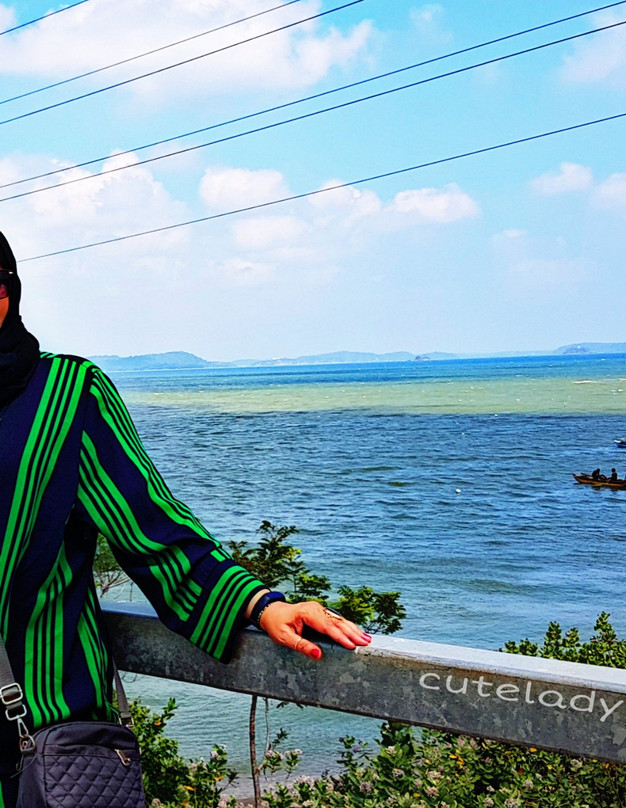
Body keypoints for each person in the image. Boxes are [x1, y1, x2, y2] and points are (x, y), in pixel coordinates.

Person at [0, 231, 369, 801]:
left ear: (11, 292)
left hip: (40, 735)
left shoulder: (66, 397)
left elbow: (156, 533)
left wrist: (261, 604)